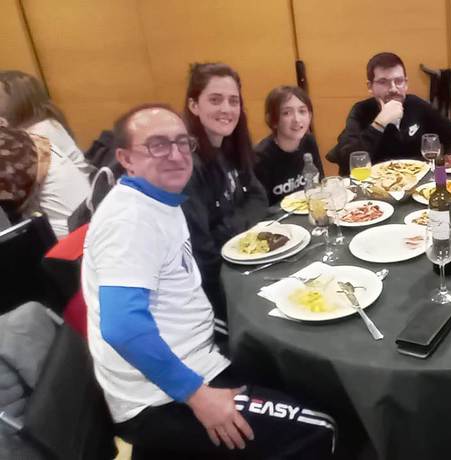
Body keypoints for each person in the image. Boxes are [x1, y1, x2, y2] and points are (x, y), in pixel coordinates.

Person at [81, 104, 334, 458]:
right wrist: (199, 397)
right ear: (126, 159)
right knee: (323, 426)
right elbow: (122, 327)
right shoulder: (130, 220)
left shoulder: (159, 201)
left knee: (307, 374)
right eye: (157, 145)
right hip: (160, 398)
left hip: (196, 355)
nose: (176, 155)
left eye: (182, 143)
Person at [181, 63, 268, 333]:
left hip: (241, 260)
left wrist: (226, 227)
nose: (226, 109)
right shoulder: (187, 165)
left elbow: (258, 198)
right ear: (194, 105)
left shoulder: (231, 145)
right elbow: (202, 250)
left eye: (233, 101)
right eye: (215, 100)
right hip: (215, 289)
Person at [326, 52, 451, 175]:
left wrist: (448, 159)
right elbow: (347, 162)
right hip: (375, 186)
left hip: (418, 181)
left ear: (406, 84)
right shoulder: (361, 110)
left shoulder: (417, 105)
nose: (393, 89)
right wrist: (379, 124)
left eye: (398, 81)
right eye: (383, 82)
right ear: (370, 87)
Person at [0, 70, 91, 237]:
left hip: (73, 229)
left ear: (17, 101)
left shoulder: (39, 132)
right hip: (79, 216)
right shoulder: (40, 126)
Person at [254, 85, 323, 206]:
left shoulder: (309, 142)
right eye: (286, 113)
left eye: (302, 111)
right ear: (273, 120)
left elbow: (319, 184)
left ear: (310, 116)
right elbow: (260, 207)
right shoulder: (260, 157)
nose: (297, 119)